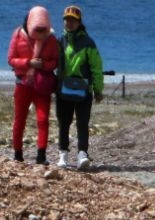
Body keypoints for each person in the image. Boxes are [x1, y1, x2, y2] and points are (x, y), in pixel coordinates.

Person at [7, 6, 60, 164]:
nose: (40, 33)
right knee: (19, 120)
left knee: (43, 119)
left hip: (42, 84)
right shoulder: (18, 35)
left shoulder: (51, 39)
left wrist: (42, 65)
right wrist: (28, 62)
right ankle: (17, 154)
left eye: (43, 29)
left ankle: (41, 155)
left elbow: (55, 61)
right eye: (38, 29)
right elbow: (11, 59)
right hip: (22, 83)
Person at [55, 4, 104, 170]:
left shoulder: (89, 43)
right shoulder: (59, 41)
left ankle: (82, 154)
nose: (69, 23)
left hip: (84, 90)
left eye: (73, 20)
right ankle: (63, 154)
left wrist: (98, 89)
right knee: (64, 122)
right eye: (67, 20)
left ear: (79, 22)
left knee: (82, 123)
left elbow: (96, 67)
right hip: (63, 88)